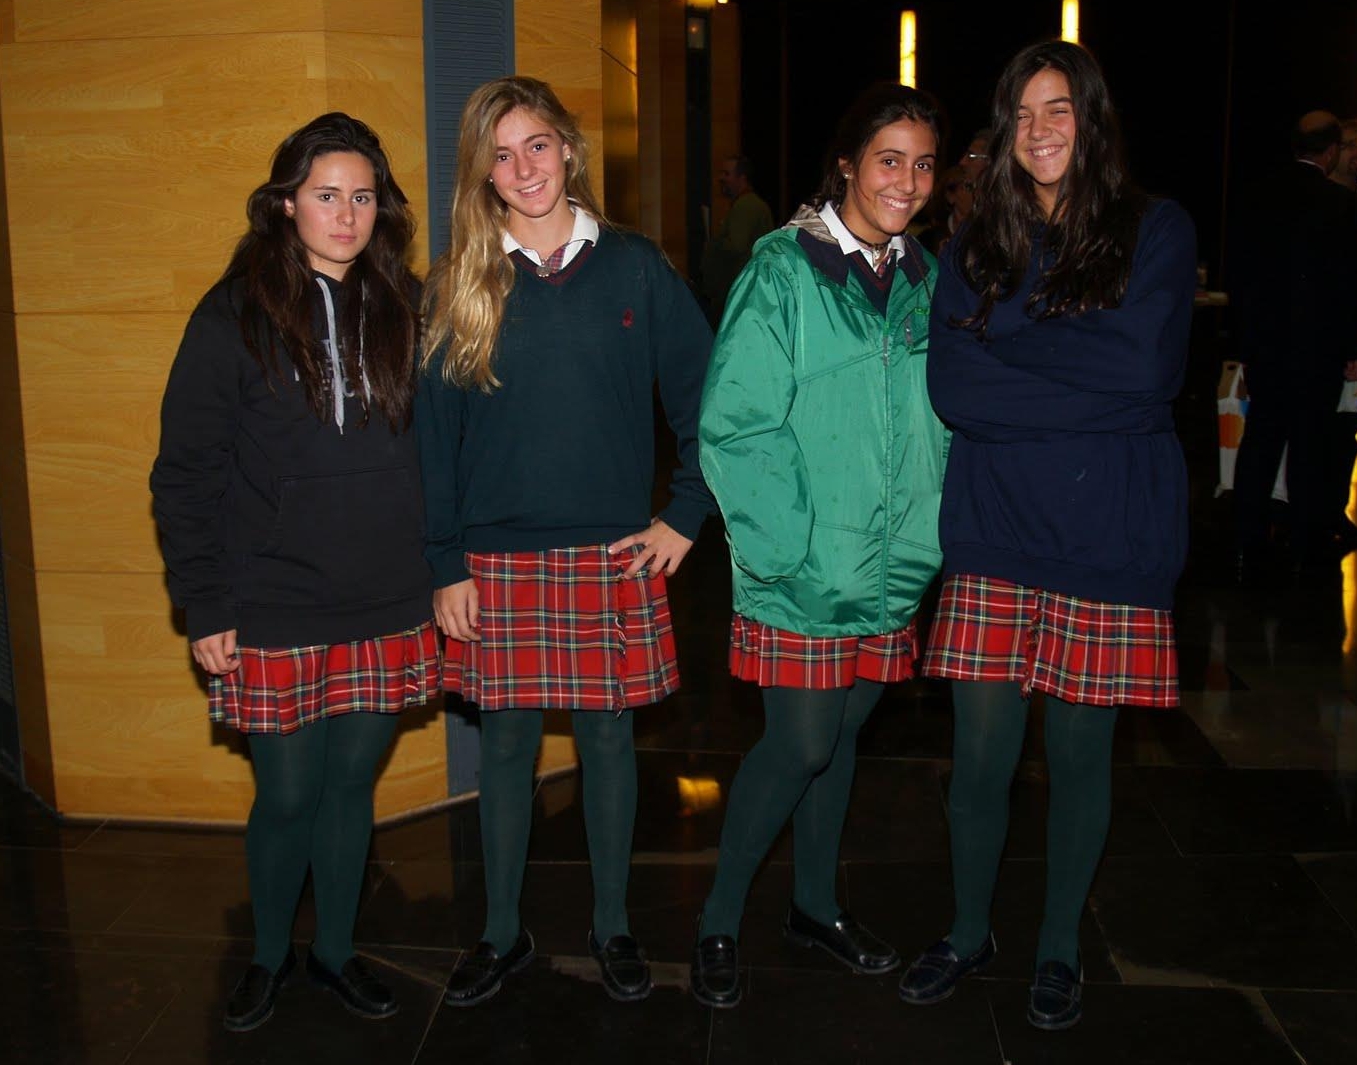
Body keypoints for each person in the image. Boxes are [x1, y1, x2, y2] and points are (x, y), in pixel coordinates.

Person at [897, 40, 1196, 1031]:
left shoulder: (1156, 230)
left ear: (1093, 116)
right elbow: (954, 388)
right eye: (1021, 113)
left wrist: (1014, 344)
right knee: (979, 757)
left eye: (1058, 108)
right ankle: (968, 926)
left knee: (1078, 757)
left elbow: (1145, 374)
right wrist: (1076, 352)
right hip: (993, 528)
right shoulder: (975, 240)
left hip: (1110, 531)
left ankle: (1060, 947)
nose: (1039, 130)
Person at [416, 76, 714, 1007]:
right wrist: (444, 562)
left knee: (608, 743)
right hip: (494, 560)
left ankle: (614, 923)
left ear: (569, 149)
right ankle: (502, 932)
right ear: (483, 175)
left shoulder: (633, 266)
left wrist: (687, 511)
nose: (523, 167)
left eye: (536, 145)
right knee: (502, 750)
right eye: (500, 155)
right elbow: (433, 439)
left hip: (612, 551)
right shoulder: (459, 281)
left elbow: (708, 394)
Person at [150, 113, 438, 1031]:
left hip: (388, 593)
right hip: (272, 596)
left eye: (362, 197)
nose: (346, 215)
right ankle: (270, 955)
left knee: (352, 787)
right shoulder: (231, 312)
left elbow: (444, 447)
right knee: (287, 792)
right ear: (284, 205)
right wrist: (205, 600)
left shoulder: (406, 306)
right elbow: (184, 472)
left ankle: (337, 952)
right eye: (326, 196)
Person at [692, 82, 949, 1009]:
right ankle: (718, 915)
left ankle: (814, 903)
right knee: (799, 743)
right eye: (889, 160)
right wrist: (784, 547)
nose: (907, 182)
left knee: (839, 740)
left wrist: (934, 523)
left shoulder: (925, 277)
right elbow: (736, 422)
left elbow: (942, 417)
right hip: (804, 562)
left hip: (896, 563)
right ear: (847, 162)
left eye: (922, 165)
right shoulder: (783, 270)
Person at [1230, 111, 1357, 578]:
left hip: (1266, 345)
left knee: (1261, 438)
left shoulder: (1257, 198)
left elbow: (1241, 274)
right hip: (1318, 348)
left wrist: (1245, 337)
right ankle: (1305, 542)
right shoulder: (1341, 205)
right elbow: (1349, 286)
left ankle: (1247, 537)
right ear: (1330, 152)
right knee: (1310, 446)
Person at [699, 154, 775, 325]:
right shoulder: (746, 204)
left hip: (739, 297)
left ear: (742, 178)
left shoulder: (746, 206)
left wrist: (713, 244)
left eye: (727, 174)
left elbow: (737, 246)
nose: (721, 179)